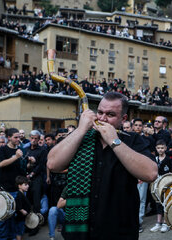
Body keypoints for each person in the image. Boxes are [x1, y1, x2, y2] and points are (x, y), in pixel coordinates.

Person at [47, 92, 157, 240]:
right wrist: (80, 130)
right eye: (100, 112)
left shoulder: (133, 140)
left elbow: (150, 174)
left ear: (123, 119)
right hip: (80, 232)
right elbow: (53, 164)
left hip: (118, 231)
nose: (102, 118)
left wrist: (114, 141)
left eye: (110, 114)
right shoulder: (82, 138)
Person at [0, 128, 34, 239]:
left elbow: (24, 169)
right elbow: (1, 164)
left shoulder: (21, 149)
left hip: (18, 189)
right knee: (3, 217)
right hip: (6, 188)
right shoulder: (3, 149)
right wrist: (16, 157)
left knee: (17, 217)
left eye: (19, 137)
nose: (18, 139)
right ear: (9, 138)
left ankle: (14, 237)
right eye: (15, 137)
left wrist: (31, 163)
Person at [150, 140, 172, 233]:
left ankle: (165, 223)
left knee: (165, 203)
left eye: (162, 148)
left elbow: (171, 172)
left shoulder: (168, 159)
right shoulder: (154, 159)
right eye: (158, 148)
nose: (160, 150)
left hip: (166, 184)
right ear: (156, 148)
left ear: (165, 148)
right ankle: (158, 223)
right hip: (157, 184)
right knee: (158, 202)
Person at [14, 175, 31, 240]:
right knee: (19, 232)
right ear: (19, 185)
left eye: (28, 184)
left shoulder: (22, 193)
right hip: (19, 218)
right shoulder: (19, 194)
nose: (28, 186)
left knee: (21, 231)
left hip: (22, 218)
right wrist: (22, 210)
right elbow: (17, 205)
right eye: (25, 184)